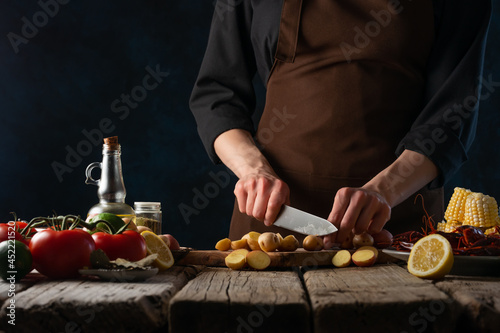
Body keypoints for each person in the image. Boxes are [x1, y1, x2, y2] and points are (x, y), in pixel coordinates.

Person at [190, 0, 492, 248]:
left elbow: (454, 113)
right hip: (272, 223)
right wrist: (252, 170)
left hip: (393, 228)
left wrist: (383, 191)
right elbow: (218, 94)